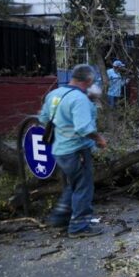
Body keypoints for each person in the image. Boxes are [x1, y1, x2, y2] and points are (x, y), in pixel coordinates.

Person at [39, 64, 107, 238]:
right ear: (89, 80)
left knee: (73, 184)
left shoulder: (54, 94)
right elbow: (84, 128)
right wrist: (99, 139)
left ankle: (60, 217)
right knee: (83, 187)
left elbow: (43, 119)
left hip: (59, 150)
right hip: (76, 150)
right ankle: (79, 227)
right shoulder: (79, 99)